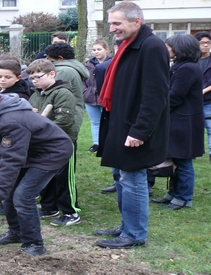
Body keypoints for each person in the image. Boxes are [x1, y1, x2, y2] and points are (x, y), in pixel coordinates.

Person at [94, 1, 170, 249]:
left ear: (136, 21)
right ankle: (127, 226)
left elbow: (155, 94)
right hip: (120, 122)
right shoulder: (127, 45)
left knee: (132, 177)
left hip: (134, 128)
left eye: (117, 23)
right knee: (120, 176)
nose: (112, 28)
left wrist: (139, 131)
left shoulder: (151, 47)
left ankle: (134, 234)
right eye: (111, 23)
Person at [0, 84, 73, 256]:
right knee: (8, 193)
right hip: (27, 151)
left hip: (50, 153)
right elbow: (2, 145)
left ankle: (34, 244)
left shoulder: (12, 120)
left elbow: (12, 161)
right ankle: (16, 232)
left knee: (23, 196)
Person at [150, 34, 205, 210]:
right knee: (175, 158)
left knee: (183, 160)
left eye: (169, 47)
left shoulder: (187, 68)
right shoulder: (181, 66)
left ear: (180, 48)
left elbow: (175, 96)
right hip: (179, 119)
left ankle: (183, 197)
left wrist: (158, 111)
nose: (167, 50)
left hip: (184, 121)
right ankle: (173, 193)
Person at [26, 59, 81, 227]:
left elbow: (63, 121)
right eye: (31, 78)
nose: (34, 81)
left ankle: (71, 212)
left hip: (62, 142)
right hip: (44, 143)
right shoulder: (37, 93)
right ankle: (49, 207)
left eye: (38, 77)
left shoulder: (63, 93)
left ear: (52, 74)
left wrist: (39, 128)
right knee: (46, 176)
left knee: (63, 178)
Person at [83, 39, 112, 154]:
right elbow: (83, 80)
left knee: (108, 121)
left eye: (99, 49)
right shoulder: (88, 64)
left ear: (106, 50)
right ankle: (97, 144)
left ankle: (108, 143)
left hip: (106, 97)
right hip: (90, 98)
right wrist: (85, 92)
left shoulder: (112, 63)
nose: (96, 52)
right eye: (94, 50)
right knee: (95, 122)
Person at [194, 31, 211, 161]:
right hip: (194, 102)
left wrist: (204, 91)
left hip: (208, 102)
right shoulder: (193, 61)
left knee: (210, 130)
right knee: (194, 130)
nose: (206, 45)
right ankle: (193, 153)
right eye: (203, 43)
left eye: (208, 43)